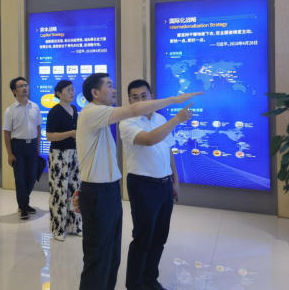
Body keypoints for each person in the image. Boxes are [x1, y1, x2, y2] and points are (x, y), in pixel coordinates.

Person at [73, 73, 202, 290]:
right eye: (109, 85)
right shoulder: (94, 112)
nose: (114, 90)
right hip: (109, 189)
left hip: (109, 189)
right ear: (95, 92)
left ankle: (145, 280)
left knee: (112, 255)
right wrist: (174, 101)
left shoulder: (102, 116)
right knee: (99, 256)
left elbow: (91, 159)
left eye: (144, 96)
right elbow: (144, 131)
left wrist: (174, 180)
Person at [120, 80, 193, 290]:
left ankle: (150, 280)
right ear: (129, 101)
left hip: (164, 184)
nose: (140, 100)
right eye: (135, 97)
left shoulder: (161, 119)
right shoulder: (127, 122)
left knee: (160, 237)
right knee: (142, 238)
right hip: (142, 185)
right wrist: (177, 120)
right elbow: (149, 140)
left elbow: (168, 150)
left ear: (152, 97)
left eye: (144, 96)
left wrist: (175, 181)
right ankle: (134, 285)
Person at [46, 80, 82, 242]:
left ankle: (75, 225)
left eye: (73, 89)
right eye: (68, 90)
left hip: (74, 153)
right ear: (59, 93)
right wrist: (70, 133)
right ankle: (58, 228)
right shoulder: (54, 112)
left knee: (75, 190)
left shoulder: (74, 109)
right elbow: (49, 136)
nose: (72, 92)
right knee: (59, 192)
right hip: (59, 155)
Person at [3, 77, 42, 220]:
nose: (25, 88)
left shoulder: (35, 107)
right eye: (21, 86)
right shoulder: (10, 111)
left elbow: (38, 128)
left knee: (31, 178)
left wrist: (37, 146)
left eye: (26, 85)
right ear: (14, 91)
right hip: (17, 147)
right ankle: (23, 207)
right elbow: (7, 133)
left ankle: (24, 203)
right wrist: (9, 154)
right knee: (20, 179)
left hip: (32, 146)